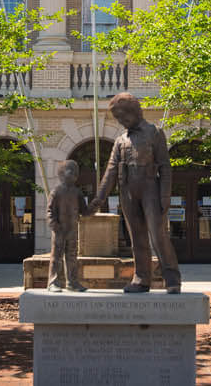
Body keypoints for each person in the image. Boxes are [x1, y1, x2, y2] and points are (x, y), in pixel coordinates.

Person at [89, 92, 183, 293]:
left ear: (133, 111)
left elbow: (165, 167)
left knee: (158, 236)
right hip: (127, 191)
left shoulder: (154, 133)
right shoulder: (120, 140)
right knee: (137, 238)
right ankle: (141, 279)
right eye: (118, 118)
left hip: (150, 188)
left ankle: (172, 279)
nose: (121, 121)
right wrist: (99, 198)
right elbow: (111, 171)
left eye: (123, 116)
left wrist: (165, 195)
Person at [47, 159, 89, 292]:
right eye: (70, 172)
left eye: (75, 172)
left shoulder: (77, 193)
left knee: (72, 256)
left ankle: (72, 282)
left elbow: (85, 211)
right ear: (63, 174)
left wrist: (96, 204)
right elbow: (49, 211)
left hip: (72, 229)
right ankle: (53, 282)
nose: (73, 175)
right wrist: (54, 225)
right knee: (56, 257)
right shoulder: (56, 192)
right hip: (59, 229)